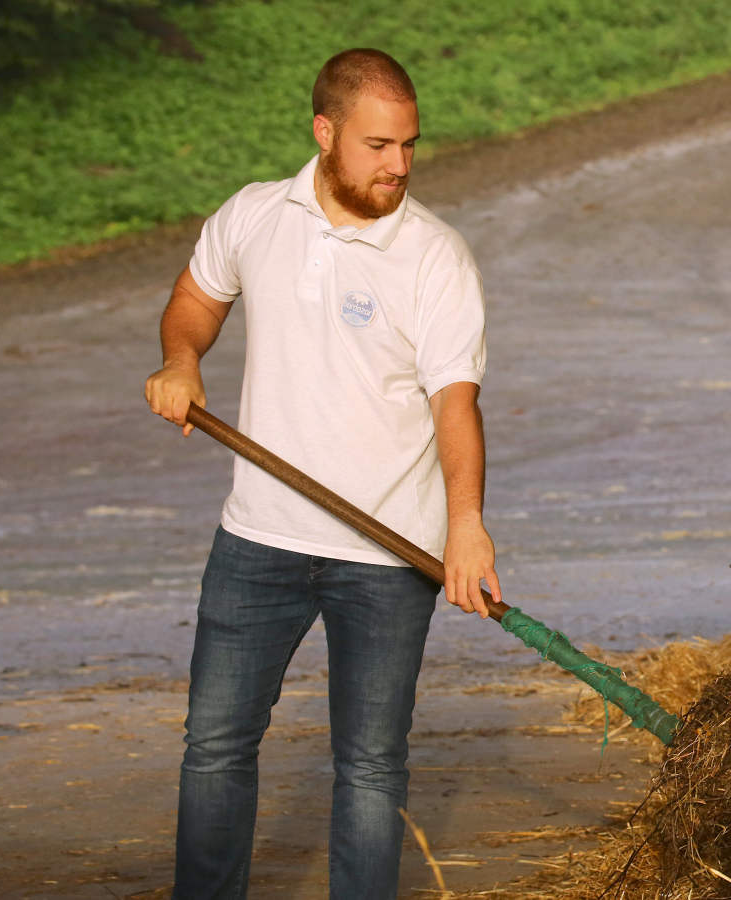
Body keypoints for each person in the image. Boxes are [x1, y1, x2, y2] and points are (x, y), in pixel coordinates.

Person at [143, 48, 500, 899]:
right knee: (215, 743)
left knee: (370, 767)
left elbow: (457, 405)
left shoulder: (434, 257)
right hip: (256, 539)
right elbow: (195, 300)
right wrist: (180, 361)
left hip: (387, 555)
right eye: (378, 145)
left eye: (410, 145)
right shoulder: (255, 217)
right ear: (324, 131)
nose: (399, 165)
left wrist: (465, 524)